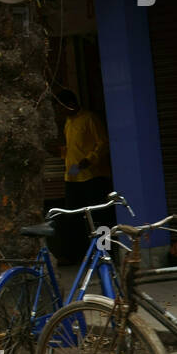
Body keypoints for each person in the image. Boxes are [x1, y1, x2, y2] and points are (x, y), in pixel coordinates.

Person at [54, 89, 114, 259]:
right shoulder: (68, 122)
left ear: (70, 104)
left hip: (92, 176)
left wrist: (90, 159)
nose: (59, 111)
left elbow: (103, 143)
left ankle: (105, 253)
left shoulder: (89, 119)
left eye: (61, 107)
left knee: (99, 217)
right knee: (74, 218)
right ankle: (82, 255)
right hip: (73, 176)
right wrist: (59, 152)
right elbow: (72, 150)